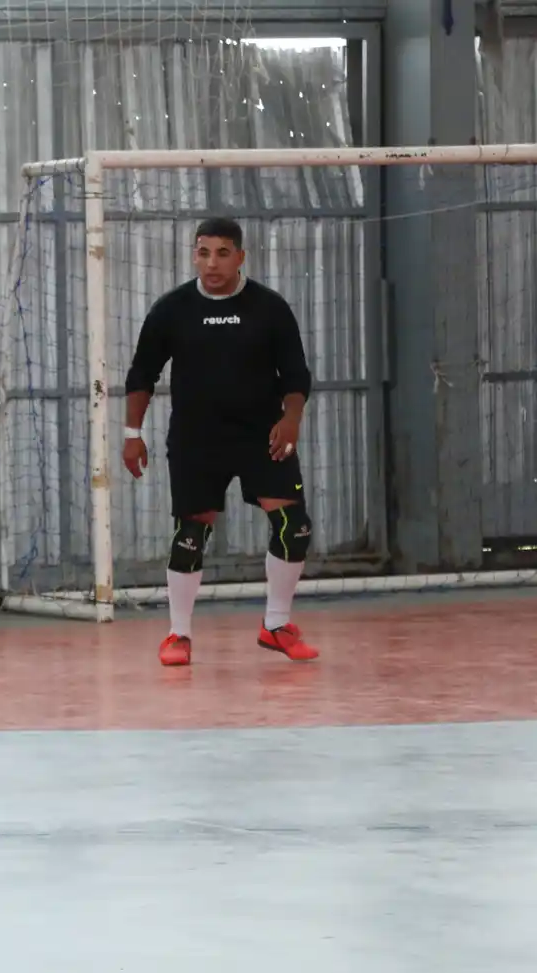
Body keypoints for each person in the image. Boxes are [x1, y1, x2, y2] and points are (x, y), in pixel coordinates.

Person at [121, 217, 318, 667]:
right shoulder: (171, 309)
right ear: (194, 255)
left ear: (240, 257)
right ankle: (178, 635)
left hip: (261, 436)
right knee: (191, 533)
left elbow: (295, 374)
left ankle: (276, 625)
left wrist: (291, 419)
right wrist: (133, 435)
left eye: (223, 252)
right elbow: (141, 375)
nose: (212, 262)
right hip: (197, 439)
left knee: (295, 527)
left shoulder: (270, 307)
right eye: (203, 252)